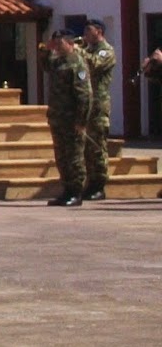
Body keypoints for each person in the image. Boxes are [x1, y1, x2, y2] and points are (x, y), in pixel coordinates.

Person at [40, 29, 92, 207]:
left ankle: (76, 191)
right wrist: (45, 49)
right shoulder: (57, 61)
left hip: (72, 119)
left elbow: (84, 96)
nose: (57, 46)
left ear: (70, 43)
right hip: (58, 118)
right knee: (61, 156)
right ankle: (66, 189)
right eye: (55, 42)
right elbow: (45, 65)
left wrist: (81, 121)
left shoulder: (77, 64)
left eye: (59, 42)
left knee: (74, 156)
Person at [80, 20, 116, 201]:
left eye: (89, 30)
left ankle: (99, 185)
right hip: (86, 105)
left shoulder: (106, 50)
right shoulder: (87, 50)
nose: (85, 33)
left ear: (99, 31)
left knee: (97, 146)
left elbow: (94, 64)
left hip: (99, 105)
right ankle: (90, 182)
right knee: (86, 148)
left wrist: (78, 51)